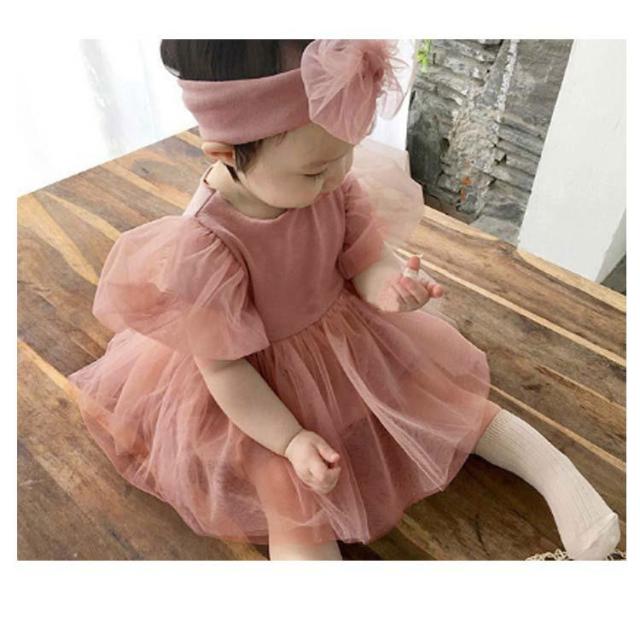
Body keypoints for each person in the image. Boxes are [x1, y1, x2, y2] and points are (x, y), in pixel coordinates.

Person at [67, 39, 620, 561]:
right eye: (315, 169)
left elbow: (363, 258)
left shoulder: (328, 181)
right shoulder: (206, 247)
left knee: (437, 396)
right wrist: (291, 439)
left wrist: (390, 288)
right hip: (253, 383)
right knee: (286, 483)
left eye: (346, 154)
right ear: (226, 153)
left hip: (345, 337)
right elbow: (224, 370)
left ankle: (552, 468)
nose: (336, 179)